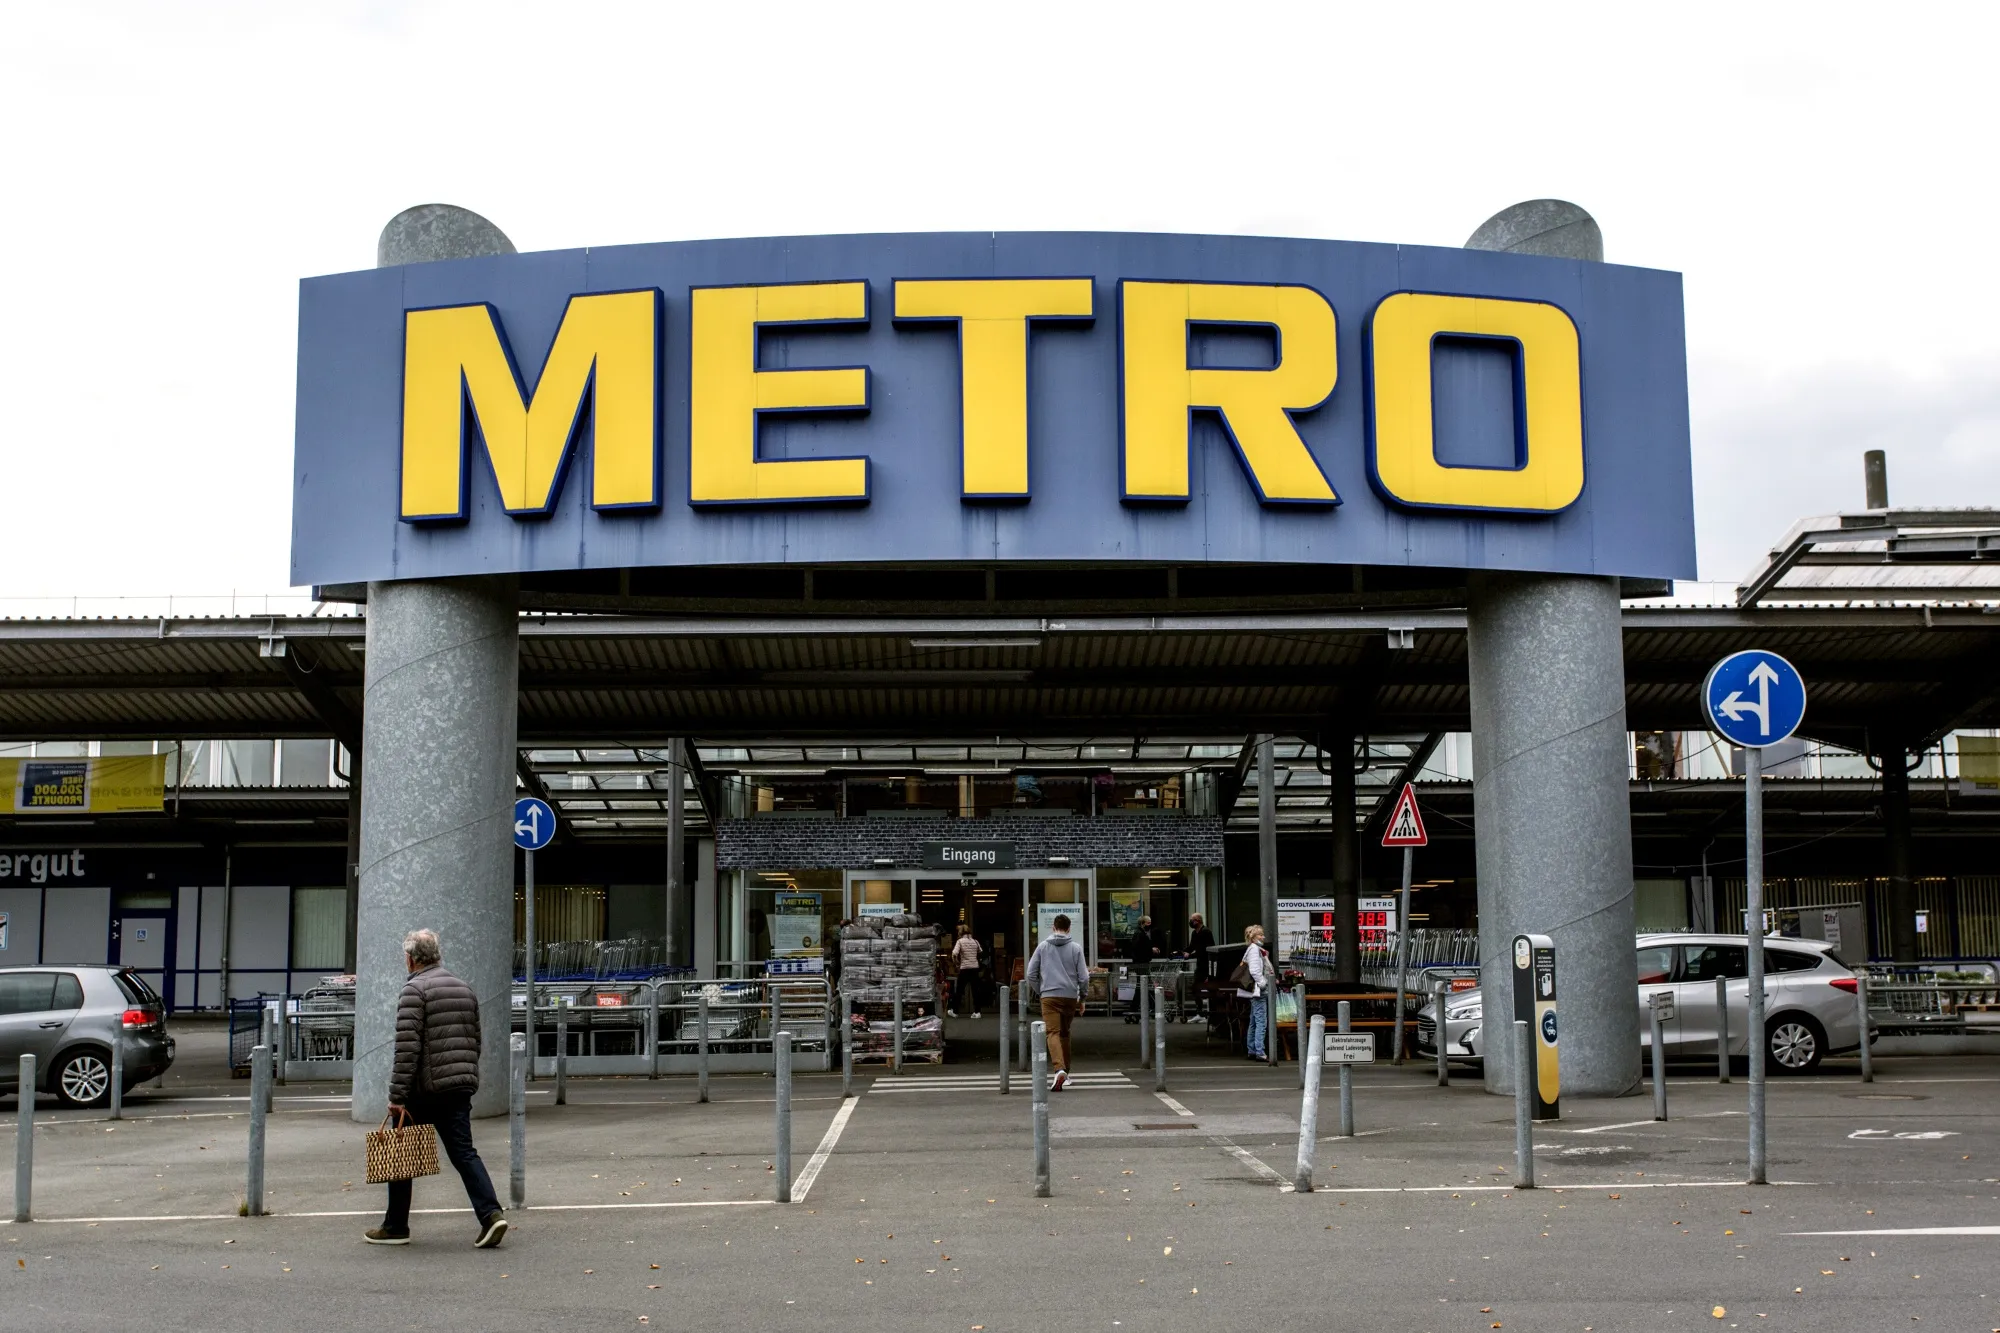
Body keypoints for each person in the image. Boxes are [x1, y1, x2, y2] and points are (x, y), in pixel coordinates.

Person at [366, 928, 507, 1249]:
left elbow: (407, 1048)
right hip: (458, 1086)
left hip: (424, 1090)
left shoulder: (414, 990)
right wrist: (465, 1077)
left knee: (401, 1151)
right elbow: (475, 1040)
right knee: (463, 1152)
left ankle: (395, 1226)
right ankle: (491, 1215)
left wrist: (397, 1097)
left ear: (412, 958)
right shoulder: (464, 988)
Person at [1025, 912, 1089, 1091]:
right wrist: (1082, 998)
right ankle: (1066, 1073)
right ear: (1069, 929)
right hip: (1069, 996)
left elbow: (1031, 974)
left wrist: (1042, 991)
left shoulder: (1043, 947)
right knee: (1065, 1033)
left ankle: (1059, 1068)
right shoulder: (1076, 948)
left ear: (1053, 927)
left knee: (1052, 1032)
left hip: (1049, 996)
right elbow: (1084, 977)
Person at [1236, 924, 1274, 1061]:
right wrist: (1264, 984)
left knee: (1254, 1021)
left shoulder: (1255, 949)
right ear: (1253, 937)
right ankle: (1259, 1051)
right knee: (1261, 1021)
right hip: (1259, 991)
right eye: (1260, 935)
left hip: (1257, 991)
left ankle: (1252, 1048)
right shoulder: (1254, 950)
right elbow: (1255, 971)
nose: (1263, 937)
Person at [948, 923, 982, 1018]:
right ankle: (977, 1012)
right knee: (975, 990)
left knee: (959, 990)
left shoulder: (960, 941)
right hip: (974, 968)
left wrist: (956, 963)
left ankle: (955, 1011)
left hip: (965, 968)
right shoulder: (975, 941)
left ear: (961, 932)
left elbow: (954, 954)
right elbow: (980, 951)